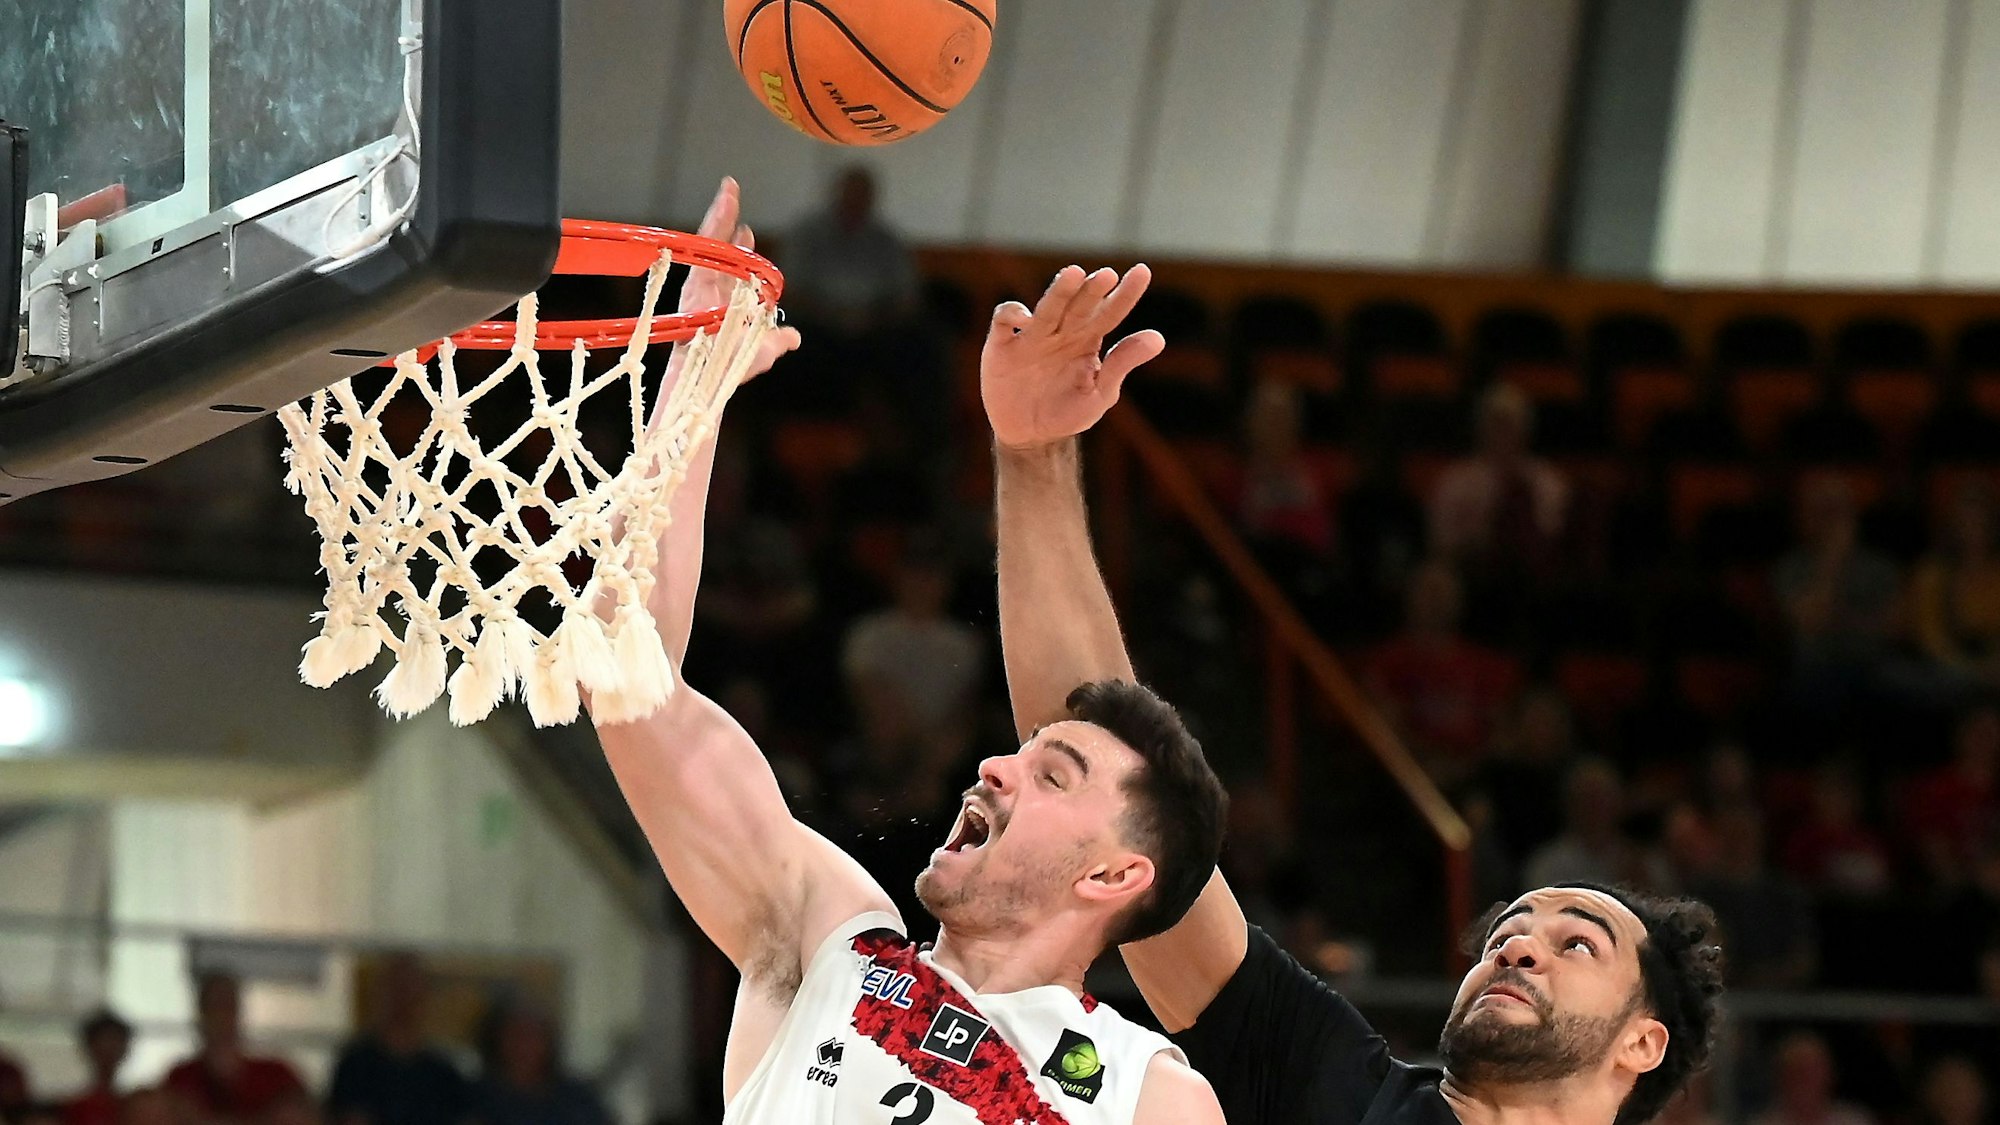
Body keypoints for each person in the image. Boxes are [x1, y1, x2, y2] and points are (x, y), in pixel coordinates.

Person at [982, 262, 1726, 1125]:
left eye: (1574, 944)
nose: (1517, 946)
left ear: (1643, 1041)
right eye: (1504, 935)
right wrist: (1034, 454)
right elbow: (1092, 776)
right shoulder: (1331, 1082)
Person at [587, 183, 1228, 1123]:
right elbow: (629, 685)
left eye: (1054, 774)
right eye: (1023, 751)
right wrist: (694, 393)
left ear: (1113, 874)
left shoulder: (1148, 1093)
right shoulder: (827, 935)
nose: (998, 764)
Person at [326, 952, 469, 1125]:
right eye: (397, 990)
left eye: (410, 991)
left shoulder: (444, 1073)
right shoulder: (356, 1065)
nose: (403, 1001)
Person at [160, 972, 308, 1125]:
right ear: (201, 1014)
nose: (221, 1015)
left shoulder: (278, 1076)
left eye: (227, 1005)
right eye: (213, 1006)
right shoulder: (180, 1080)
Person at [466, 1000, 608, 1125]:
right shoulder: (475, 1097)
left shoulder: (577, 1097)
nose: (523, 1045)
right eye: (515, 1035)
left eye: (533, 1036)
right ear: (496, 1040)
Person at [61, 1010, 133, 1125]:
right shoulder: (72, 1106)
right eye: (103, 1041)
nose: (109, 1049)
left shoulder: (133, 1104)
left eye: (115, 1041)